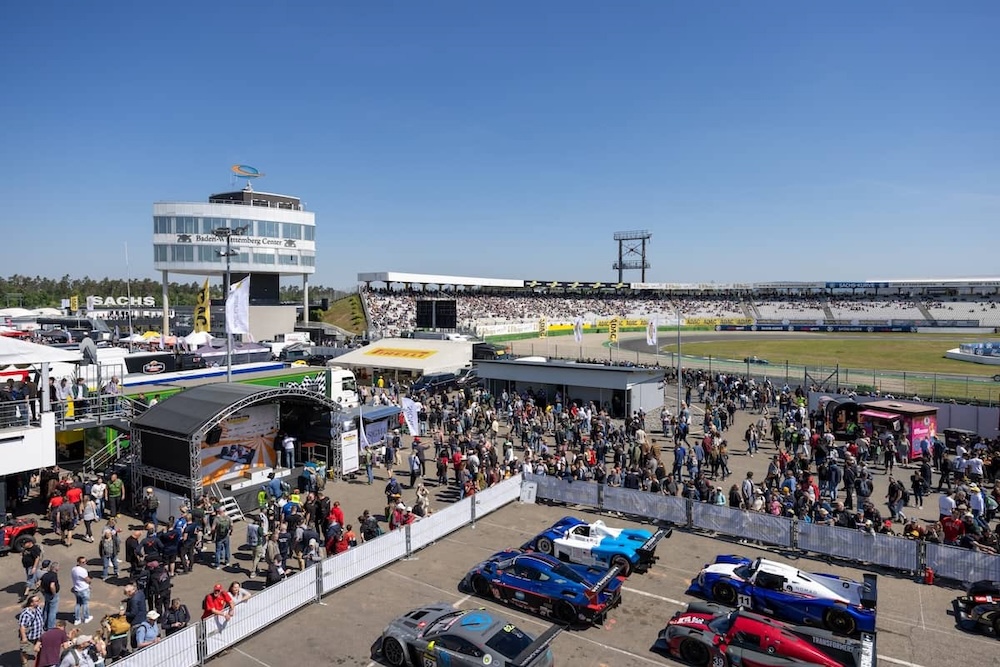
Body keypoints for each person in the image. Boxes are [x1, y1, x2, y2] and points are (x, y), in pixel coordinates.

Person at [18, 594, 45, 667]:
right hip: (29, 636)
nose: (39, 601)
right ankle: (24, 663)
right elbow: (22, 626)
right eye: (37, 601)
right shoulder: (25, 613)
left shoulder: (38, 608)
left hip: (38, 634)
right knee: (25, 650)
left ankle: (41, 661)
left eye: (39, 599)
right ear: (31, 603)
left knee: (42, 647)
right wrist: (24, 638)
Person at [70, 556, 92, 626]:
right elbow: (87, 580)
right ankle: (86, 617)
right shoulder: (82, 571)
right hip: (84, 589)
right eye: (83, 562)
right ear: (78, 562)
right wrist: (89, 582)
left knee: (78, 604)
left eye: (85, 561)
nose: (84, 563)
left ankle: (77, 619)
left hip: (77, 589)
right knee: (85, 603)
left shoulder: (73, 569)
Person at [40, 560, 60, 630]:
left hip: (46, 594)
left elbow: (39, 584)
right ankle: (51, 627)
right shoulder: (54, 575)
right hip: (51, 594)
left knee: (46, 609)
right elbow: (52, 585)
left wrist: (43, 592)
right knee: (52, 611)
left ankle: (44, 624)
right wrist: (54, 593)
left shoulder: (45, 574)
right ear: (56, 568)